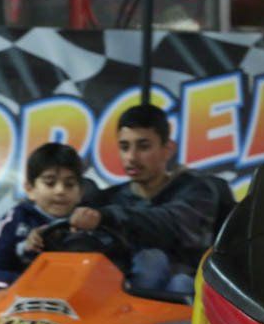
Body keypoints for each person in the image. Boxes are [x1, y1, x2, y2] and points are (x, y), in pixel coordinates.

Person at [70, 104, 219, 294]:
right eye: (124, 147)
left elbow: (166, 224)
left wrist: (106, 217)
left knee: (169, 274)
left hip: (183, 297)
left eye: (143, 146)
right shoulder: (107, 199)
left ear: (168, 149)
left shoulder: (197, 191)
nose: (131, 157)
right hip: (117, 299)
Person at [0, 143, 84, 289]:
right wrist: (30, 284)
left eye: (69, 184)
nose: (60, 191)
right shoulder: (17, 218)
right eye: (50, 183)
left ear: (81, 192)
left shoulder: (91, 221)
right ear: (30, 189)